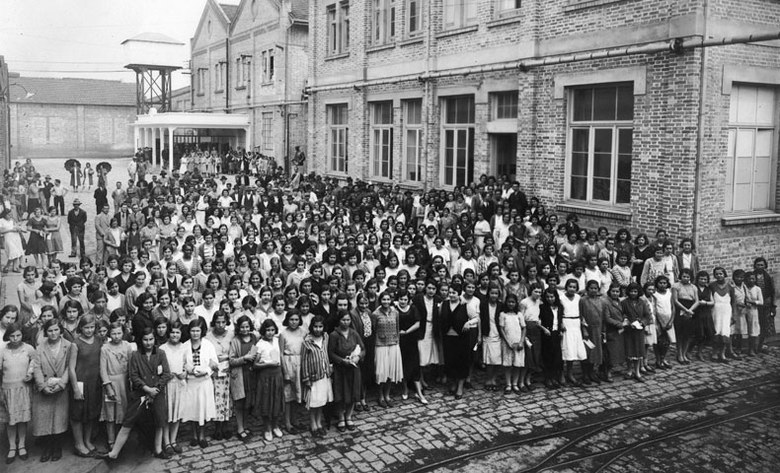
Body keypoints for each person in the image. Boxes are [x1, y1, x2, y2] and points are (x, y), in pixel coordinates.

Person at [98, 327, 172, 460]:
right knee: (129, 420)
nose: (148, 343)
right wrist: (146, 389)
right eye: (145, 340)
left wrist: (156, 389)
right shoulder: (136, 355)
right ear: (140, 340)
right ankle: (114, 453)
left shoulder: (160, 353)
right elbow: (134, 375)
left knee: (160, 420)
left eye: (151, 339)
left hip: (157, 392)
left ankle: (158, 449)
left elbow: (166, 373)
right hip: (141, 393)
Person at [31, 319, 71, 462]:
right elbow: (36, 367)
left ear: (61, 330)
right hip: (46, 387)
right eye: (50, 331)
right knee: (45, 418)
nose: (53, 333)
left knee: (59, 418)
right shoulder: (40, 347)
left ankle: (57, 446)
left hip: (60, 387)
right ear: (45, 332)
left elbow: (69, 367)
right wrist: (42, 386)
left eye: (56, 330)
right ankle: (47, 447)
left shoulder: (68, 346)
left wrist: (62, 384)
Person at [1, 322, 35, 464]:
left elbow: (34, 362)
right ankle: (12, 447)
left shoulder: (29, 348)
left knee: (22, 419)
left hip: (23, 389)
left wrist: (30, 373)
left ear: (22, 335)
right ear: (8, 336)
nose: (15, 338)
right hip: (8, 389)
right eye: (12, 336)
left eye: (18, 335)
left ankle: (21, 445)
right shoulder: (3, 351)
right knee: (10, 420)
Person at [182, 318, 217, 448]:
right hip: (191, 382)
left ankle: (202, 435)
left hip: (204, 381)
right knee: (192, 409)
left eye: (198, 331)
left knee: (202, 408)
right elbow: (181, 363)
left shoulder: (208, 344)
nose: (195, 333)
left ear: (202, 331)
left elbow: (214, 363)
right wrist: (187, 368)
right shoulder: (185, 346)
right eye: (193, 331)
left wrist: (206, 371)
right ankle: (194, 436)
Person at [99, 321, 133, 452]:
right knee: (110, 413)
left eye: (119, 333)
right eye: (113, 333)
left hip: (124, 381)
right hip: (111, 382)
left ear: (123, 333)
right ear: (109, 334)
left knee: (124, 411)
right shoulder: (105, 348)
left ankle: (122, 439)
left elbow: (131, 365)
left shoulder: (127, 346)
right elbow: (102, 369)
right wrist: (107, 386)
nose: (117, 336)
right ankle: (111, 440)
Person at [328, 310, 364, 432]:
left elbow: (363, 349)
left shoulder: (354, 333)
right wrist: (342, 360)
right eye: (343, 320)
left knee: (353, 392)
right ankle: (341, 417)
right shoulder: (334, 335)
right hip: (340, 369)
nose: (346, 322)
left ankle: (349, 416)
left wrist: (358, 357)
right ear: (339, 321)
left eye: (348, 320)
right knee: (341, 393)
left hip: (353, 368)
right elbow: (331, 353)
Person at [253, 319, 285, 441]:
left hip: (277, 375)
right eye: (267, 330)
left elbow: (281, 356)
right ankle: (267, 428)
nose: (270, 333)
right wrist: (267, 365)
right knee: (266, 401)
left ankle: (275, 425)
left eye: (272, 330)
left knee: (277, 400)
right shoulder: (258, 344)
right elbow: (254, 365)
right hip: (265, 376)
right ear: (263, 331)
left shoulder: (278, 341)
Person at [301, 315, 333, 437]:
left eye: (320, 327)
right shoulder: (307, 342)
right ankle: (313, 423)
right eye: (315, 326)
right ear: (311, 327)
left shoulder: (326, 337)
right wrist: (306, 378)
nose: (318, 329)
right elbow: (304, 361)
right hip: (313, 376)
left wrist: (329, 366)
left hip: (324, 374)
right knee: (314, 401)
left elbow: (326, 353)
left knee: (321, 400)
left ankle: (319, 422)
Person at [372, 292, 404, 408]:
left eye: (388, 299)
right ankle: (380, 396)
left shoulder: (395, 312)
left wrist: (397, 342)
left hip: (393, 345)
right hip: (381, 346)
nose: (386, 302)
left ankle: (387, 395)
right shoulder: (375, 314)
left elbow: (397, 328)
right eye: (383, 299)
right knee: (381, 373)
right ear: (380, 300)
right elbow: (374, 329)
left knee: (390, 371)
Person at [228, 316, 257, 441]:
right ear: (238, 328)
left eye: (247, 327)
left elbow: (256, 352)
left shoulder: (254, 338)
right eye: (242, 327)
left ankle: (246, 425)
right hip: (240, 374)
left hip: (252, 374)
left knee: (248, 403)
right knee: (240, 402)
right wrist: (244, 358)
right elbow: (231, 360)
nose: (245, 329)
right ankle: (240, 428)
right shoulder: (236, 340)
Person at [279, 311, 305, 433]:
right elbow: (281, 353)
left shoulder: (303, 332)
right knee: (288, 395)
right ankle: (287, 422)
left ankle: (295, 419)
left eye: (296, 319)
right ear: (287, 320)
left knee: (298, 393)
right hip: (288, 363)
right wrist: (285, 372)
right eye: (291, 319)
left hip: (300, 363)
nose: (294, 322)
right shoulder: (283, 334)